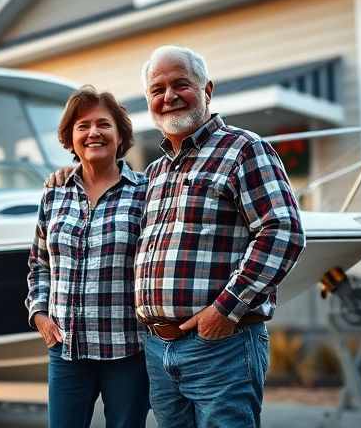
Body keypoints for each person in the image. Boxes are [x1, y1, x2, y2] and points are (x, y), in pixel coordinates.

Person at [47, 46, 306, 428]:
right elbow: (103, 189)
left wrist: (225, 309)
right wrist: (67, 175)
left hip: (220, 345)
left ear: (207, 90)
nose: (168, 97)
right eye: (157, 89)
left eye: (180, 84)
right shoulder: (154, 173)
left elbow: (283, 230)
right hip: (158, 350)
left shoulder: (243, 149)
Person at [26, 86, 149, 428]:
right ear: (70, 137)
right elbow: (39, 264)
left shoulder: (145, 192)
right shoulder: (53, 195)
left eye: (103, 124)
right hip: (67, 350)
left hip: (127, 350)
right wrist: (39, 314)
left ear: (120, 134)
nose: (93, 132)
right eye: (82, 126)